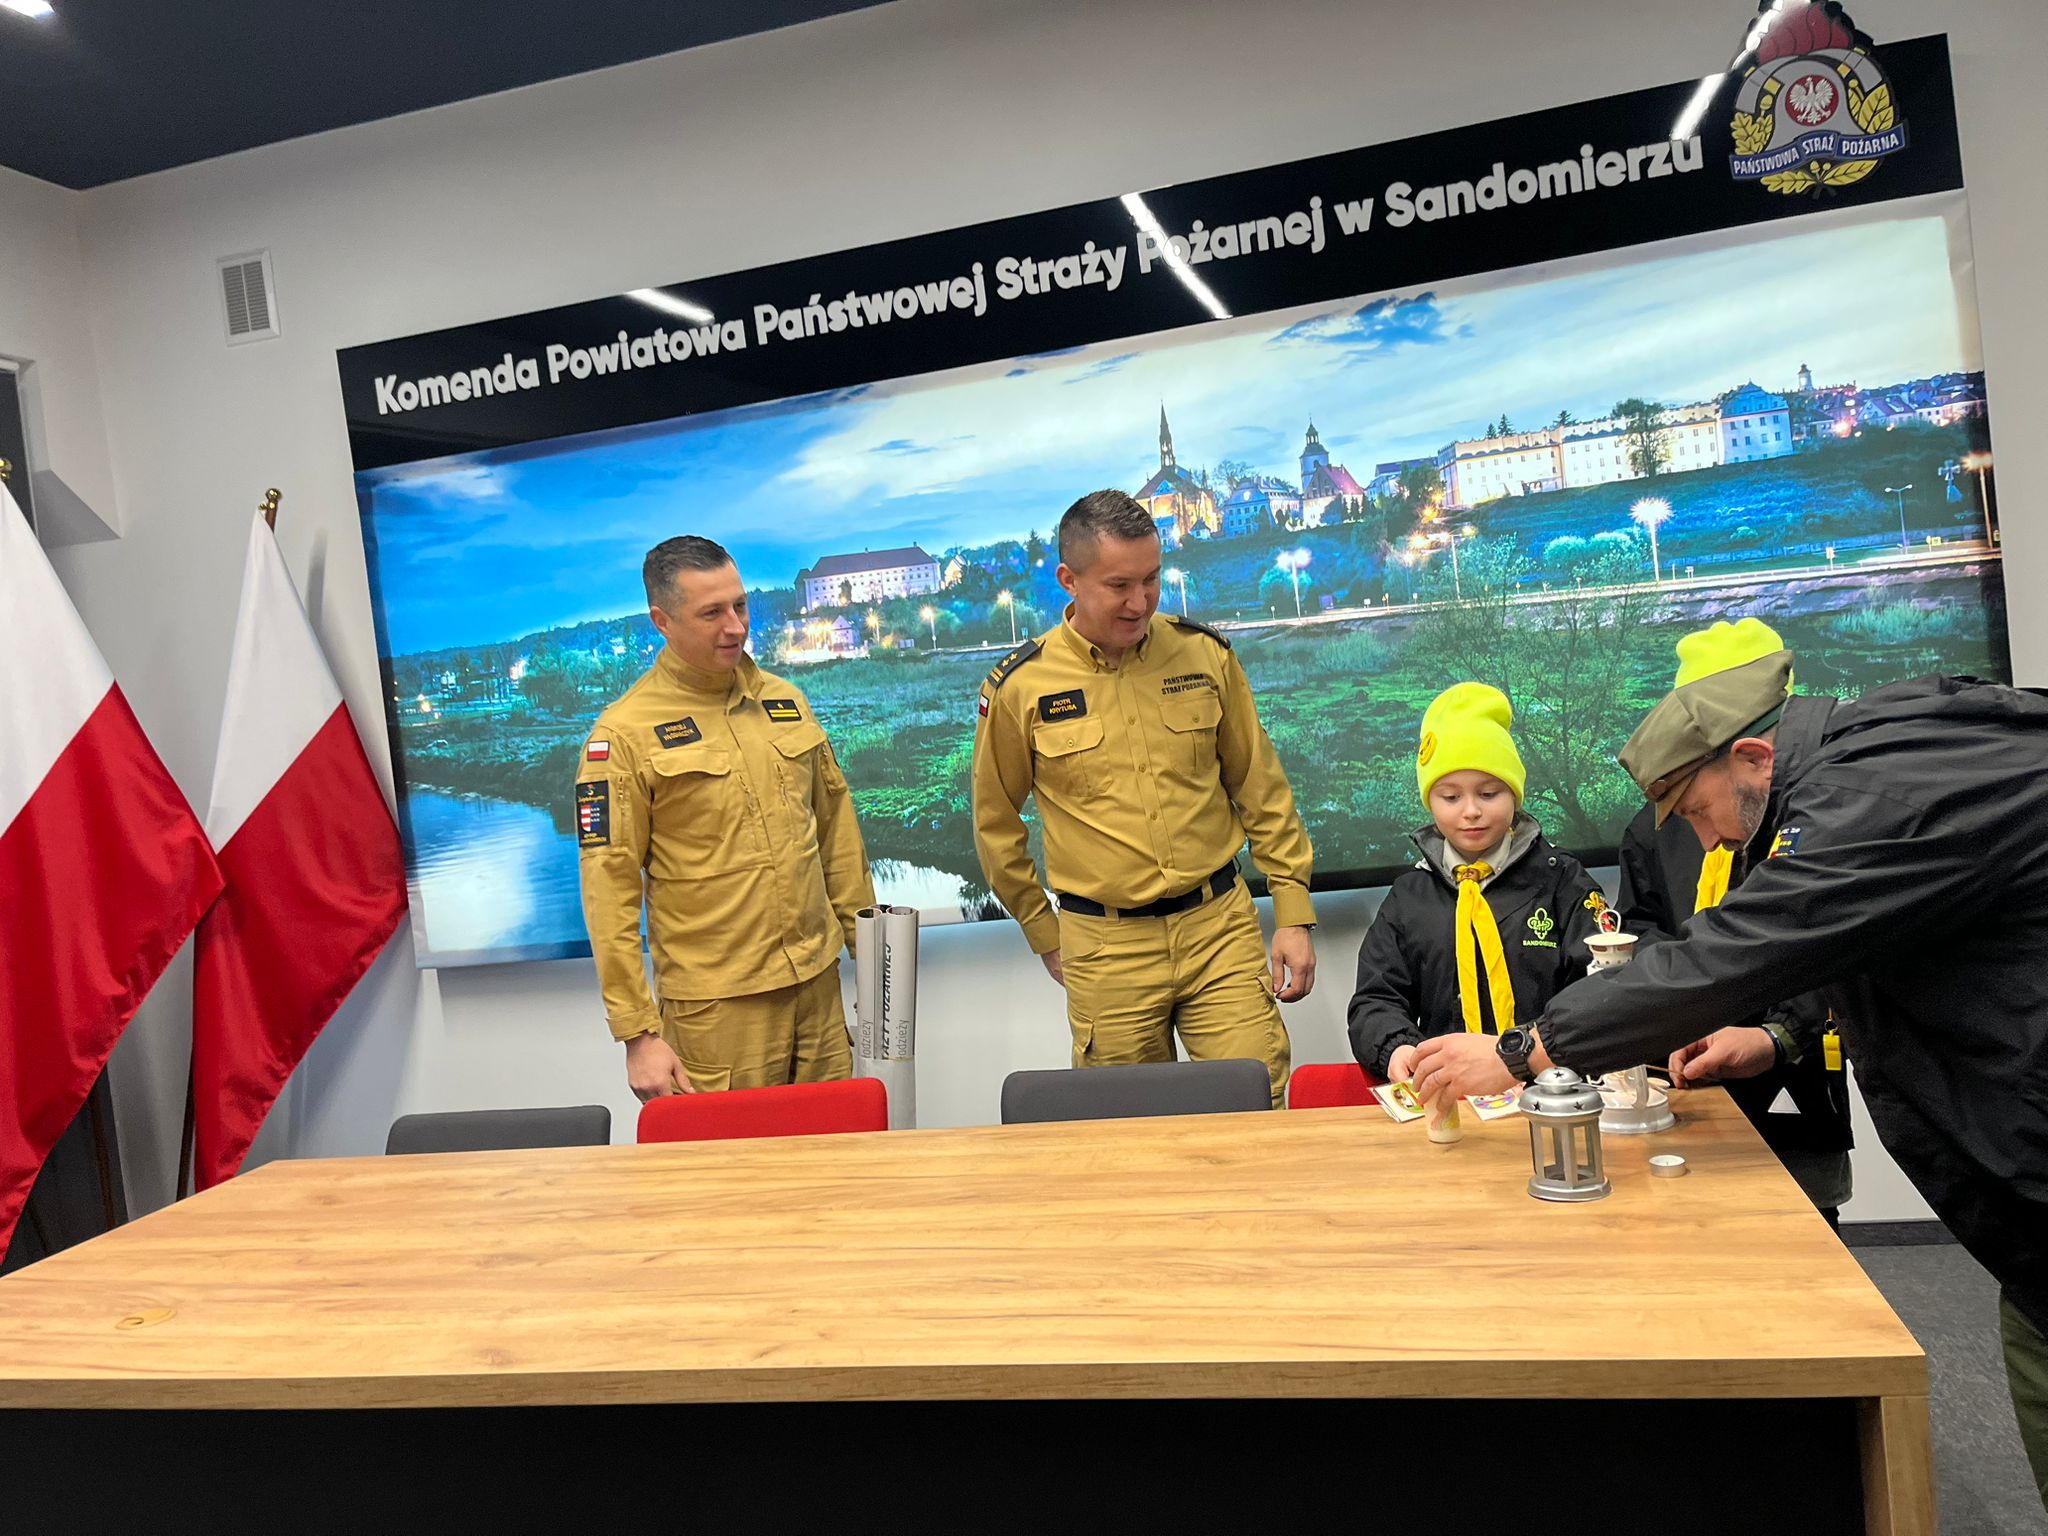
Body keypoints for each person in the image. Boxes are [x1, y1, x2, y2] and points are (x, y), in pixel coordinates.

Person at [1406, 649, 2048, 1508]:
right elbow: (1861, 941)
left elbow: (1728, 955)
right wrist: (1776, 1038)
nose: (1706, 841)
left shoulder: (1869, 796)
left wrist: (1525, 1050)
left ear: (1751, 756)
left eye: (1697, 811)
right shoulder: (1877, 756)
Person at [971, 488, 1316, 1105]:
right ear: (1069, 580)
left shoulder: (1203, 654)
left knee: (1257, 1102)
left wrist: (1292, 909)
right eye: (1119, 585)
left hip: (1219, 930)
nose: (1141, 602)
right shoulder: (1022, 687)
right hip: (1106, 950)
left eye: (1152, 578)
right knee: (1129, 1126)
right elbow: (995, 826)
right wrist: (1042, 929)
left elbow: (1260, 787)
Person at [576, 535, 874, 1100]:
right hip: (717, 1011)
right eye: (711, 613)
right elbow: (608, 891)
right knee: (731, 1156)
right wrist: (638, 1034)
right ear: (662, 621)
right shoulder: (624, 734)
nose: (735, 627)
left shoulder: (785, 702)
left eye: (740, 605)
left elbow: (837, 837)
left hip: (817, 987)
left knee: (833, 1148)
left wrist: (874, 957)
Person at [1616, 619, 1853, 1225]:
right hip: (1688, 1062)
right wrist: (1677, 974)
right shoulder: (1653, 829)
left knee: (1808, 1223)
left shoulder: (1822, 820)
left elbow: (1828, 944)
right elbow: (1639, 922)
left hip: (1797, 1071)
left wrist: (1777, 1035)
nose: (1709, 835)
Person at [1348, 682, 1606, 1087]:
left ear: (1515, 795)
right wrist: (1398, 1048)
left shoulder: (1561, 881)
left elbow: (1601, 988)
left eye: (1489, 793)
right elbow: (1375, 999)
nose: (1471, 811)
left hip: (1550, 1087)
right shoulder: (1409, 897)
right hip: (1447, 1089)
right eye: (1450, 797)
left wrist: (1541, 1053)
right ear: (1430, 801)